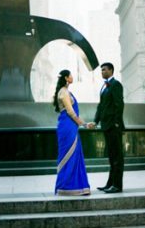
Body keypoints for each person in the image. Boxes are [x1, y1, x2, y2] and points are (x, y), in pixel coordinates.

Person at [52, 69, 90, 196]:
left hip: (71, 126)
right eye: (71, 75)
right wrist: (84, 124)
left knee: (76, 154)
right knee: (69, 155)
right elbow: (70, 112)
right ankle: (66, 187)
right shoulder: (63, 92)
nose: (72, 77)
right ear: (67, 78)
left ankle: (78, 187)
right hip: (67, 127)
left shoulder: (66, 91)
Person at [89, 62, 125, 193]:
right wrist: (95, 121)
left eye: (104, 70)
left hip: (113, 126)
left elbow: (119, 105)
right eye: (101, 70)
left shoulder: (116, 85)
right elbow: (101, 106)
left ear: (111, 70)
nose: (102, 72)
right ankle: (110, 184)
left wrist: (116, 123)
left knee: (117, 157)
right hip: (106, 126)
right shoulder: (104, 87)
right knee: (111, 157)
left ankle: (117, 186)